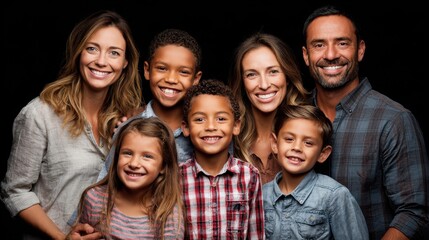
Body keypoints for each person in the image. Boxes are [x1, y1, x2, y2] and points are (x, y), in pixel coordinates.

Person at [0, 10, 143, 239]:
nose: (101, 61)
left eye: (114, 53)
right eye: (92, 48)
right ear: (78, 52)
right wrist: (61, 237)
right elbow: (14, 192)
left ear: (125, 63)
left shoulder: (129, 120)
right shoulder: (40, 114)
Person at [301, 5, 429, 239]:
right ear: (306, 55)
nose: (330, 55)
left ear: (360, 50)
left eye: (342, 43)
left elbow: (412, 213)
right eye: (319, 45)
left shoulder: (393, 119)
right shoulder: (295, 115)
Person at [67, 27, 203, 238]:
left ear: (196, 79)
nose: (171, 79)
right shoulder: (128, 126)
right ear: (147, 70)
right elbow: (107, 184)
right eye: (162, 68)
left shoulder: (203, 134)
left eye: (183, 72)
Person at [263, 104, 369, 239]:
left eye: (308, 143)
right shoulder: (262, 195)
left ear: (323, 154)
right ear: (274, 144)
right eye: (289, 139)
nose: (297, 147)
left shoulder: (335, 196)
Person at [68, 117, 184, 239]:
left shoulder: (168, 214)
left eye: (147, 156)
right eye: (127, 153)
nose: (134, 164)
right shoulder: (95, 199)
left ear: (164, 166)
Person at [180, 79, 265, 239]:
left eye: (221, 119)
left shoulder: (249, 176)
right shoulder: (176, 178)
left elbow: (256, 234)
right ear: (185, 127)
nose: (211, 126)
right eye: (199, 119)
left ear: (236, 126)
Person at [228, 32, 309, 184]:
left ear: (287, 76)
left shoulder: (309, 134)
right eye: (252, 74)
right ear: (242, 83)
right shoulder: (228, 138)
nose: (264, 85)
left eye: (273, 72)